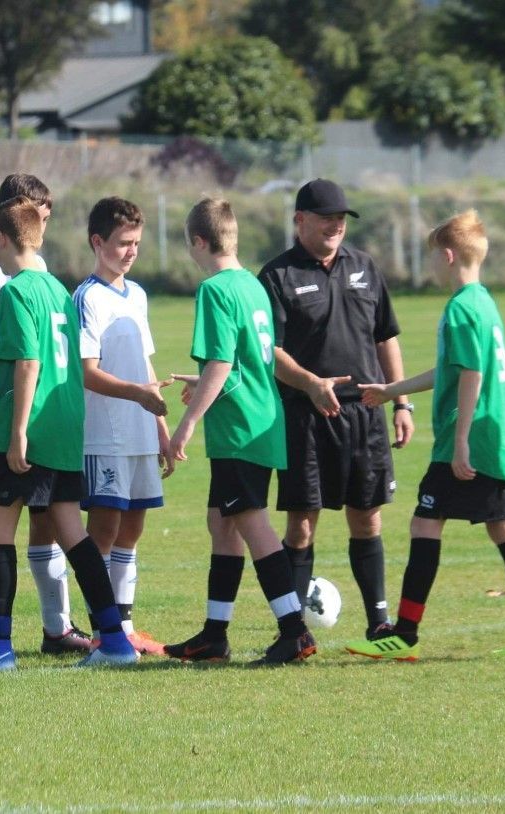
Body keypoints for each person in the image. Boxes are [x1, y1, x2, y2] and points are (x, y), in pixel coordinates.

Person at [345, 210, 505, 661]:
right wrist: (392, 390)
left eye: (431, 260)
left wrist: (459, 443)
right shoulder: (483, 301)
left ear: (447, 255)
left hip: (471, 442)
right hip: (498, 440)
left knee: (426, 521)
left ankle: (403, 634)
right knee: (504, 528)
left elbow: (472, 375)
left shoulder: (461, 308)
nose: (430, 268)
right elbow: (452, 369)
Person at [0, 196, 137, 671]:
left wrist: (16, 432)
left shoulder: (15, 292)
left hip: (28, 430)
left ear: (0, 239)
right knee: (72, 534)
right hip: (62, 429)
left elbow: (28, 362)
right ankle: (115, 640)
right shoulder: (59, 290)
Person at [163, 198, 316, 666]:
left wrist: (186, 425)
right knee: (221, 521)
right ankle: (214, 634)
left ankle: (294, 629)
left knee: (250, 521)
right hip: (261, 417)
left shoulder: (214, 290)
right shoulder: (251, 285)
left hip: (240, 428)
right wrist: (206, 382)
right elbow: (247, 362)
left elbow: (222, 362)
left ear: (199, 241)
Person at [259, 178, 413, 639]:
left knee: (367, 517)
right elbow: (270, 351)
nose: (335, 227)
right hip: (306, 417)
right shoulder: (277, 276)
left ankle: (378, 622)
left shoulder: (364, 267)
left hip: (366, 414)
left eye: (341, 220)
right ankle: (292, 631)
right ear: (300, 220)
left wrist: (401, 400)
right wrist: (309, 383)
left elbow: (386, 337)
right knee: (302, 525)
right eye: (326, 219)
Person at [0, 174, 89, 654]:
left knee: (34, 522)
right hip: (7, 417)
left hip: (29, 418)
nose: (46, 218)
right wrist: (16, 405)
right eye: (38, 208)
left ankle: (49, 628)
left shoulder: (34, 276)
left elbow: (37, 359)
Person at [72, 197, 172, 655]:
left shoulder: (138, 294)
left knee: (133, 528)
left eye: (136, 243)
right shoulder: (87, 297)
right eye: (122, 243)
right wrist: (137, 395)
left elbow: (146, 363)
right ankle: (102, 630)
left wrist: (160, 426)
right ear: (98, 242)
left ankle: (125, 627)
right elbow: (86, 371)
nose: (130, 251)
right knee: (105, 529)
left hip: (138, 431)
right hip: (104, 434)